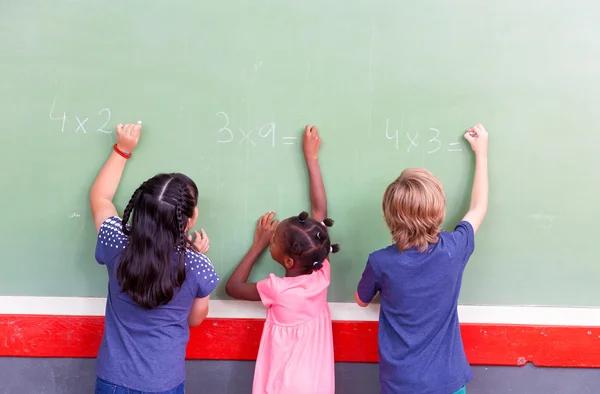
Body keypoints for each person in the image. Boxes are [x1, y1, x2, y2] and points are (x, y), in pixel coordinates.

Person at [355, 124, 489, 394]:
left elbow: (361, 300)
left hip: (401, 384)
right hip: (448, 382)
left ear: (389, 216)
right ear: (439, 210)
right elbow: (478, 207)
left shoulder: (381, 262)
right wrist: (481, 153)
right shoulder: (454, 248)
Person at [90, 122, 218, 393]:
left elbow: (100, 197)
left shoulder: (116, 242)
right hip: (164, 383)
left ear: (139, 210)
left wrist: (122, 150)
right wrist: (193, 254)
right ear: (190, 220)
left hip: (113, 378)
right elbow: (195, 319)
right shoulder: (198, 266)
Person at [226, 125, 339, 394]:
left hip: (283, 385)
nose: (271, 241)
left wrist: (257, 245)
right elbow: (320, 212)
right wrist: (312, 158)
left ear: (288, 262)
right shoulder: (321, 272)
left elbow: (232, 287)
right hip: (315, 384)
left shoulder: (275, 289)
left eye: (273, 240)